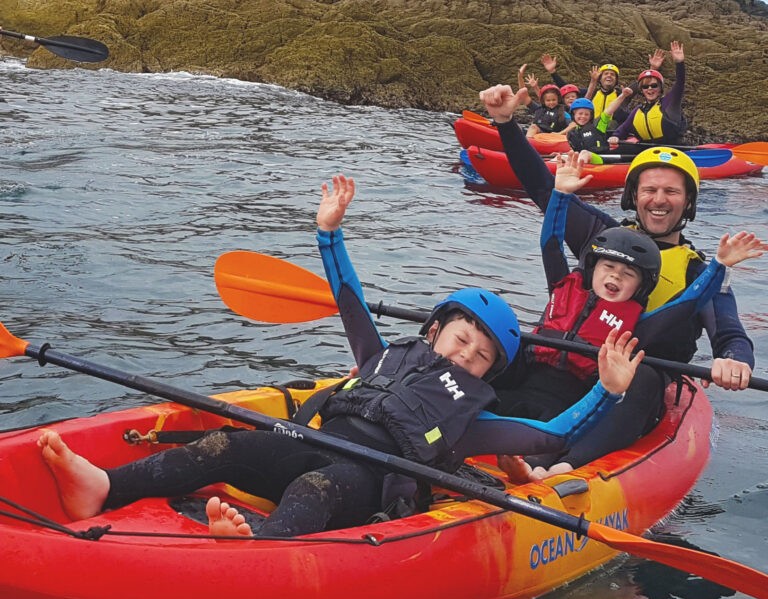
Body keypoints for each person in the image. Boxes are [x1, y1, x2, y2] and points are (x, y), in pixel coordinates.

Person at [39, 175, 645, 539]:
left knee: (316, 487)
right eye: (461, 340)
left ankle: (259, 545)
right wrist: (329, 233)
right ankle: (104, 485)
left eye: (482, 357)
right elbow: (350, 302)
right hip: (311, 440)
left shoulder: (471, 419)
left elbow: (550, 436)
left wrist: (609, 390)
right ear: (433, 333)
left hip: (366, 482)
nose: (466, 356)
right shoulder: (382, 357)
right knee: (227, 444)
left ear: (489, 373)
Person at [477, 82, 759, 474]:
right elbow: (544, 189)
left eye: (671, 192)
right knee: (495, 329)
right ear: (634, 195)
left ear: (688, 202)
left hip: (631, 389)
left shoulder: (699, 270)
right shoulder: (603, 238)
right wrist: (506, 123)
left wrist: (734, 360)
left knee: (642, 374)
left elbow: (729, 334)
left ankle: (562, 468)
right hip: (564, 367)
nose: (658, 199)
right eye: (650, 190)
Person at [608, 41, 687, 149]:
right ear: (642, 90)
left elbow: (680, 83)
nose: (650, 89)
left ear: (660, 89)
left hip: (672, 151)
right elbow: (622, 130)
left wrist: (679, 63)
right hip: (647, 153)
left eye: (654, 86)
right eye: (645, 87)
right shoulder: (637, 111)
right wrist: (616, 137)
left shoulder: (669, 103)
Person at [565, 90, 633, 154]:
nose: (583, 116)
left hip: (600, 158)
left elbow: (609, 111)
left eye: (586, 114)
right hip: (581, 160)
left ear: (591, 116)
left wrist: (623, 95)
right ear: (573, 115)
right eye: (580, 114)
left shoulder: (598, 125)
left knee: (585, 154)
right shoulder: (571, 133)